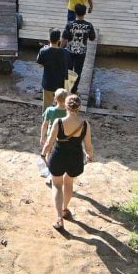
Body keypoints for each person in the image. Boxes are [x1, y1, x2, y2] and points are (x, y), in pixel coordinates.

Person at [41, 93, 94, 230]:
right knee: (68, 183)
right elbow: (88, 146)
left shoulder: (59, 123)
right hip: (75, 158)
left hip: (58, 157)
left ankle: (59, 218)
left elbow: (49, 143)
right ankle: (65, 209)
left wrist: (43, 154)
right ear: (80, 107)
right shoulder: (85, 125)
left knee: (57, 186)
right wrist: (89, 155)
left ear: (65, 106)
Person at [61, 2, 96, 91]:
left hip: (69, 51)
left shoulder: (69, 24)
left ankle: (67, 88)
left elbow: (64, 39)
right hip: (81, 52)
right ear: (84, 13)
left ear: (75, 13)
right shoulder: (89, 25)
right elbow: (92, 38)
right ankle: (74, 90)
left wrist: (61, 49)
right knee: (78, 71)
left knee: (68, 71)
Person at [36, 29, 69, 111]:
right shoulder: (65, 53)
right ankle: (58, 121)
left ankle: (46, 122)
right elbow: (67, 67)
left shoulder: (43, 51)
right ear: (59, 40)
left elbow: (39, 65)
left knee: (46, 105)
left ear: (49, 39)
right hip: (61, 84)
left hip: (48, 83)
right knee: (60, 105)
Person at [40, 87, 68, 182]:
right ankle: (60, 172)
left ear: (55, 99)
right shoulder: (68, 112)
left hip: (51, 136)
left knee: (48, 154)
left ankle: (49, 170)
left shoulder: (49, 110)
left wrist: (42, 136)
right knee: (61, 154)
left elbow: (44, 125)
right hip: (63, 137)